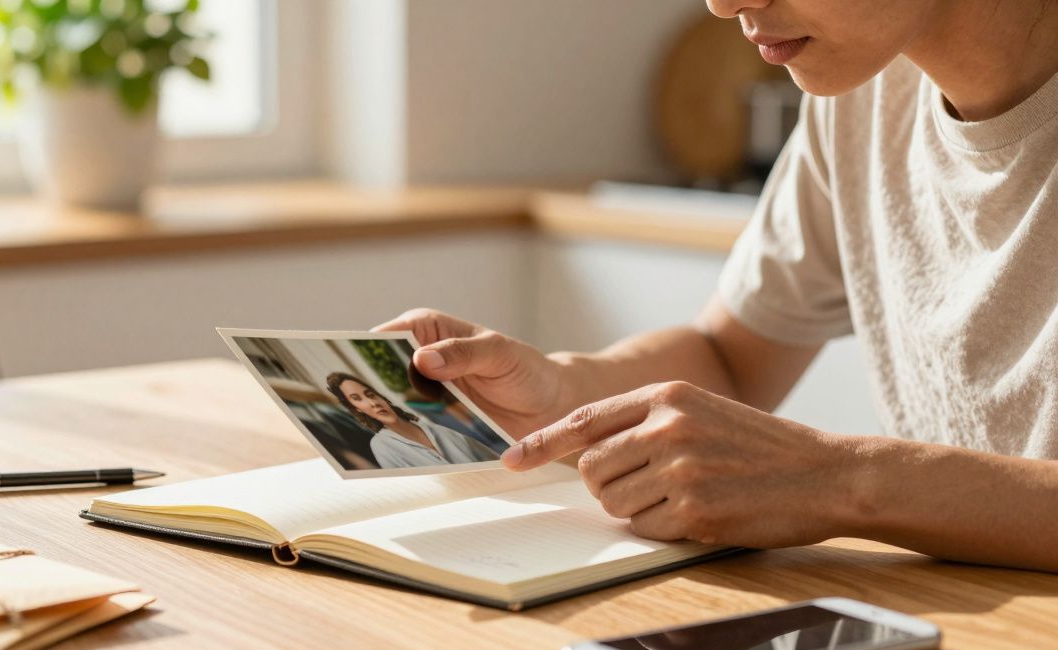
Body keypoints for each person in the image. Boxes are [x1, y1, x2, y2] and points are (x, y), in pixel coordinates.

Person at [377, 0, 1058, 573]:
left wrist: (842, 479)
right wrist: (564, 395)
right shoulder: (865, 102)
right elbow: (729, 357)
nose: (723, 3)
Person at [325, 372, 500, 469]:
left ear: (381, 397)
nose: (372, 403)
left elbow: (491, 457)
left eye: (371, 395)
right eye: (357, 399)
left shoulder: (432, 428)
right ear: (356, 408)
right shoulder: (382, 446)